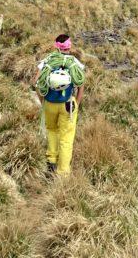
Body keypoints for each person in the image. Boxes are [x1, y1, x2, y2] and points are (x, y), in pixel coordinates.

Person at [32, 33, 86, 176]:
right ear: (69, 46)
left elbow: (36, 82)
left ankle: (51, 161)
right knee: (66, 137)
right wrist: (77, 103)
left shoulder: (48, 61)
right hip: (68, 105)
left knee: (52, 130)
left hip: (49, 102)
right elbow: (81, 84)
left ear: (56, 46)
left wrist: (42, 101)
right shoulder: (74, 63)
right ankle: (62, 173)